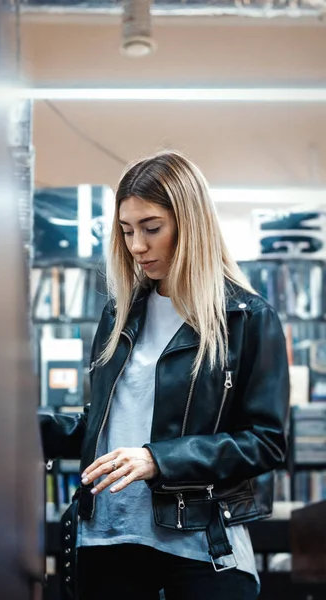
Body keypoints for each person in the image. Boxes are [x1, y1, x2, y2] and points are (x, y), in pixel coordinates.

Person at [39, 150, 290, 600]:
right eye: (126, 230)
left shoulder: (246, 319)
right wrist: (30, 431)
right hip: (106, 538)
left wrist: (160, 459)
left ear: (189, 224)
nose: (137, 245)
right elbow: (107, 426)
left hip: (201, 544)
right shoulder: (118, 315)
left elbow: (265, 441)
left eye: (151, 228)